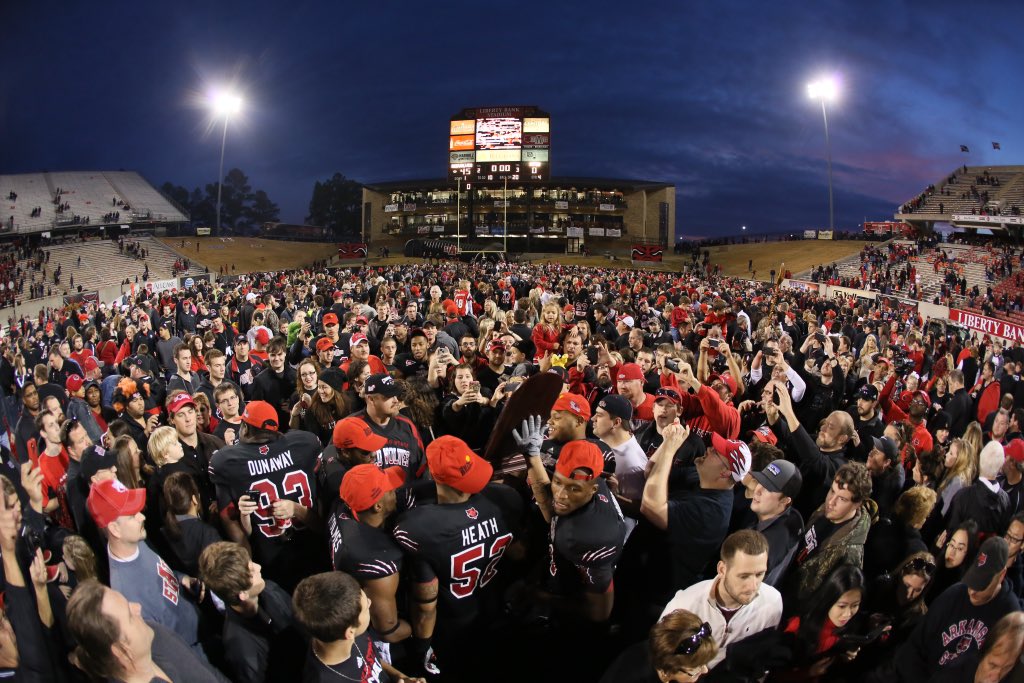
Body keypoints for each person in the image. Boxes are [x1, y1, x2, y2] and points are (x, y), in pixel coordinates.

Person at [393, 435, 521, 676]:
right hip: (494, 604)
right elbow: (518, 553)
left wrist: (422, 647)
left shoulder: (419, 527)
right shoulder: (505, 499)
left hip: (451, 621)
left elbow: (425, 606)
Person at [518, 420, 627, 622]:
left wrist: (543, 598)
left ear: (593, 490)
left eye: (574, 488)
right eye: (557, 482)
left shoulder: (590, 537)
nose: (560, 495)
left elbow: (599, 613)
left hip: (571, 617)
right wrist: (533, 458)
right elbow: (552, 509)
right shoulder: (593, 479)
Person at [86, 477, 208, 658]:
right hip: (190, 654)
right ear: (115, 529)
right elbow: (162, 650)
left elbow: (162, 574)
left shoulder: (136, 541)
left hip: (198, 629)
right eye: (132, 515)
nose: (141, 516)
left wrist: (182, 579)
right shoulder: (127, 592)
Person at [208, 400, 323, 590]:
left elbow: (235, 529)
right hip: (312, 546)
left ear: (245, 428)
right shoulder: (305, 442)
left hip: (269, 556)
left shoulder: (225, 460)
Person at [642, 422, 749, 597]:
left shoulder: (712, 512)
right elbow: (651, 471)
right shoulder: (699, 474)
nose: (708, 449)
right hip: (642, 568)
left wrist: (670, 450)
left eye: (715, 452)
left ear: (725, 473)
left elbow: (651, 506)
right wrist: (666, 442)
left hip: (655, 591)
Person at [659, 530, 784, 676]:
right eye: (744, 576)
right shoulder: (683, 605)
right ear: (722, 569)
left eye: (759, 574)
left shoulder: (772, 603)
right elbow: (661, 662)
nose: (753, 586)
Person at [895, 536, 1021, 680]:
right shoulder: (955, 593)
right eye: (973, 579)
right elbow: (915, 646)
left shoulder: (1008, 616)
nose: (972, 590)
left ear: (1001, 576)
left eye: (982, 584)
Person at [66, 580, 228, 683]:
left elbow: (205, 670)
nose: (138, 607)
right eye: (129, 615)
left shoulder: (154, 633)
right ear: (121, 651)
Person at [198, 542, 305, 683]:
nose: (258, 567)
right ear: (242, 594)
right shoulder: (242, 650)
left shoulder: (268, 588)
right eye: (252, 572)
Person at [291, 570, 424, 683]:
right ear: (349, 632)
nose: (370, 602)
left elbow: (372, 660)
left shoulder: (344, 632)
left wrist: (400, 677)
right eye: (366, 608)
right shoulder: (324, 678)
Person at [787, 462, 874, 600]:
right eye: (832, 491)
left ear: (857, 504)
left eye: (842, 499)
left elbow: (829, 600)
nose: (831, 502)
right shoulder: (826, 510)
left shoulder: (850, 554)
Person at [776, 565, 866, 682]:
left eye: (855, 605)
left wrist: (844, 656)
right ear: (829, 600)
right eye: (842, 606)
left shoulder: (850, 625)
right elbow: (774, 675)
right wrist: (808, 673)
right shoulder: (797, 627)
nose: (847, 614)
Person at [600, 608, 719, 683]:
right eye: (695, 670)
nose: (705, 670)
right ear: (666, 672)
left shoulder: (664, 654)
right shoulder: (633, 677)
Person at [747, 459, 805, 586]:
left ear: (785, 500)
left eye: (768, 488)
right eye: (760, 482)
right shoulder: (788, 516)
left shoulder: (770, 545)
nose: (758, 490)